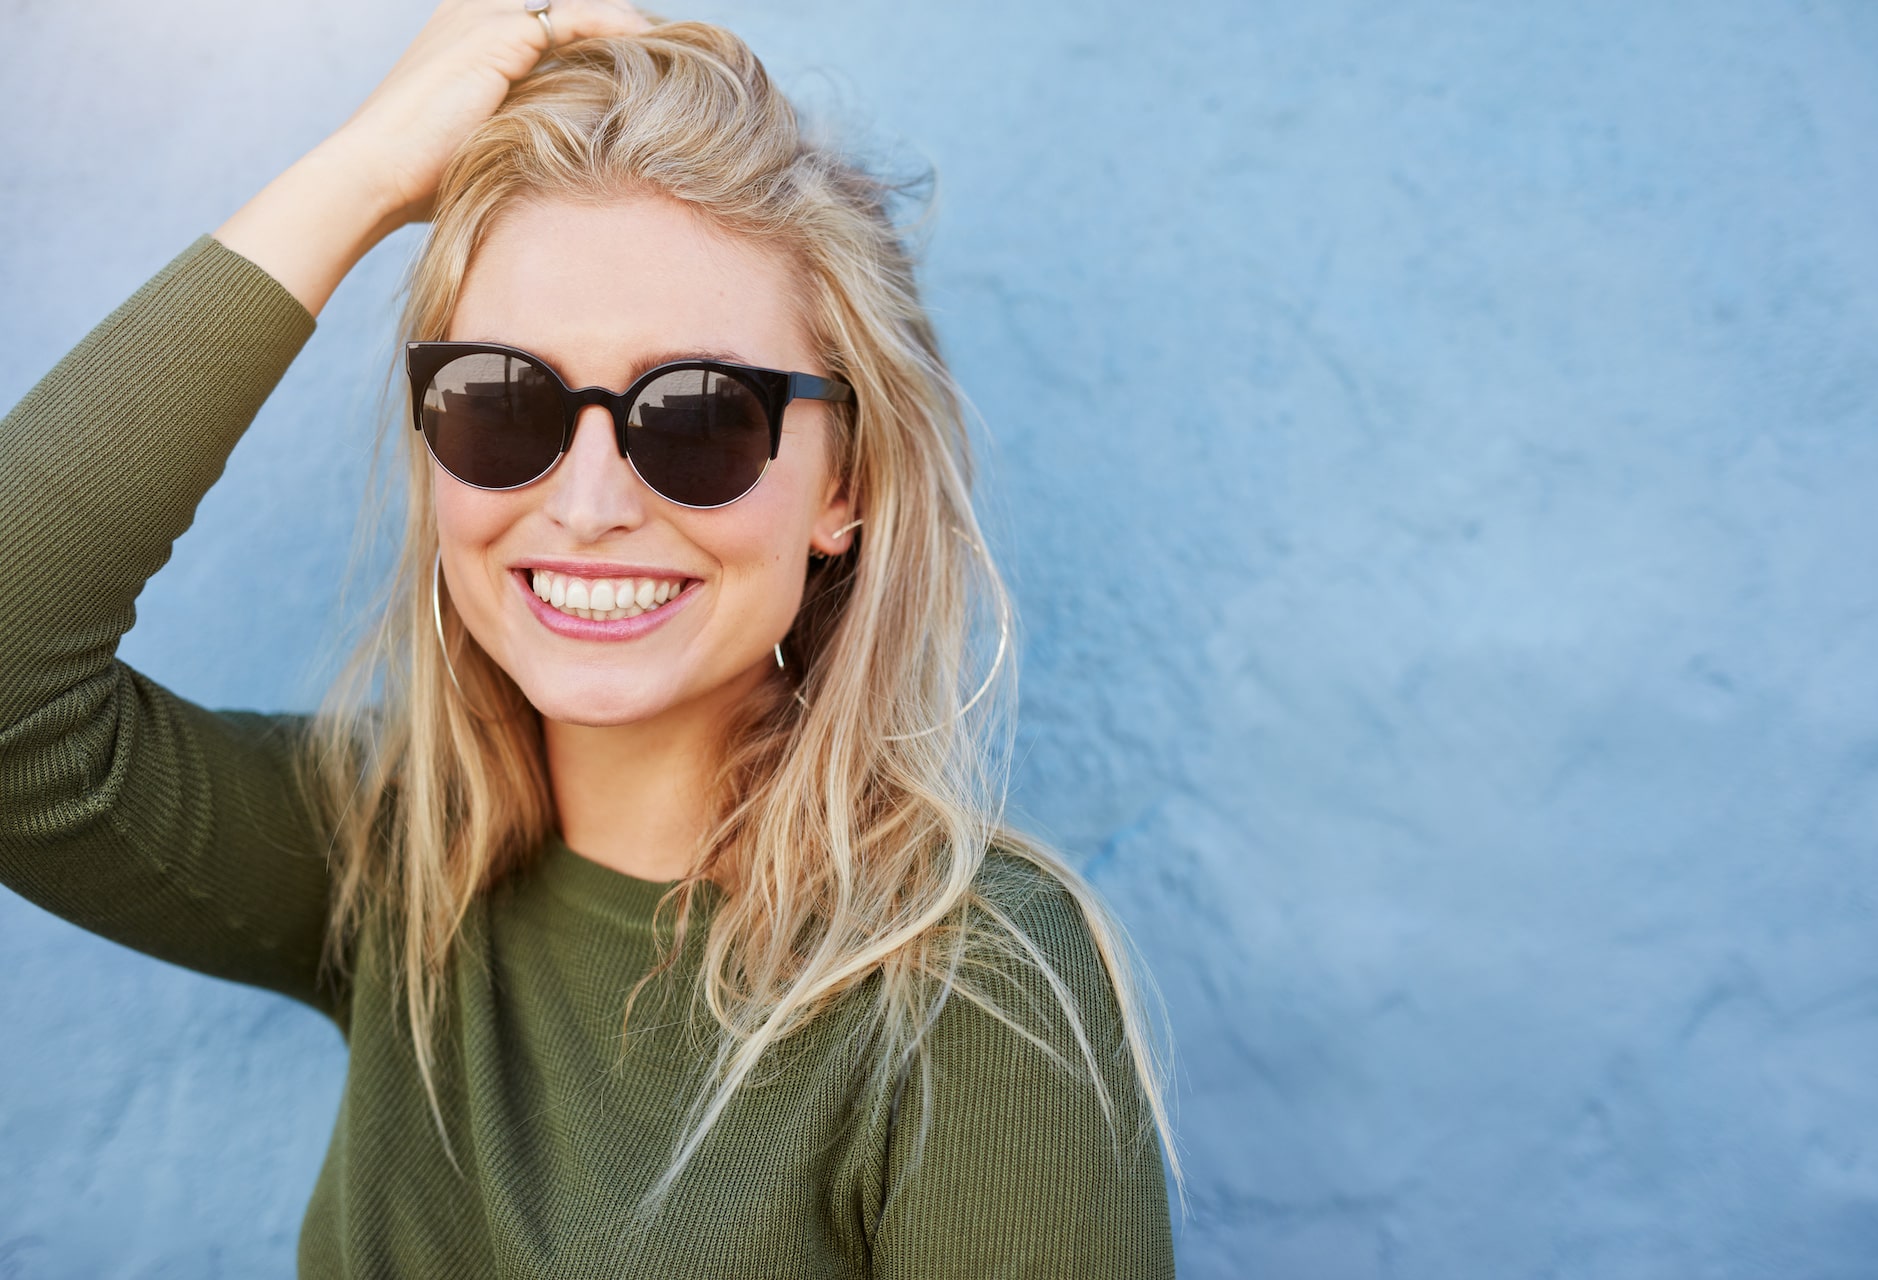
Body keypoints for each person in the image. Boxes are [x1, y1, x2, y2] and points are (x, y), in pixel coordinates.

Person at [0, 1, 1179, 1274]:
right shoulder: (400, 868)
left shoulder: (969, 991)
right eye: (505, 402)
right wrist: (362, 170)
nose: (589, 502)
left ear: (847, 488)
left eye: (701, 416)